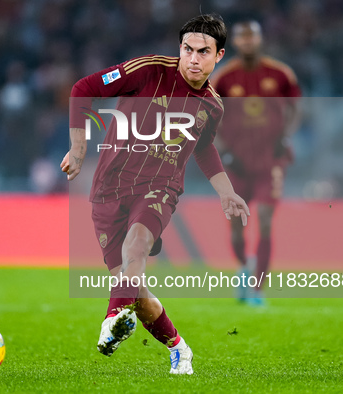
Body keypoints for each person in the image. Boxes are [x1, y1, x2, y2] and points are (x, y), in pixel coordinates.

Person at [60, 14, 250, 375]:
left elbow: (204, 147)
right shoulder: (148, 70)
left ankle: (112, 318)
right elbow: (84, 88)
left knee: (137, 246)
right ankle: (179, 347)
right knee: (133, 289)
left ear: (219, 55)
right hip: (109, 188)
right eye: (187, 49)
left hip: (159, 188)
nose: (193, 59)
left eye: (203, 52)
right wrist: (79, 146)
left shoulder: (212, 106)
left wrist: (226, 192)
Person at [210, 20, 301, 305]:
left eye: (253, 37)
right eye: (243, 38)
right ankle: (243, 267)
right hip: (237, 163)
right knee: (237, 226)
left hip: (270, 160)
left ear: (261, 40)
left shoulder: (281, 74)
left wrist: (286, 136)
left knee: (263, 220)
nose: (248, 43)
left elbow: (296, 109)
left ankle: (258, 290)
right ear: (235, 43)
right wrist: (223, 150)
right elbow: (210, 118)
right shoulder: (224, 78)